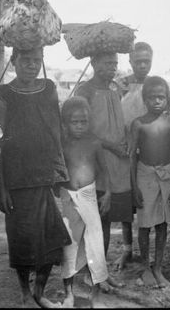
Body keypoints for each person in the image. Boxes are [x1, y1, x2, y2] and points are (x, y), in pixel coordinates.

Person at [0, 46, 71, 308]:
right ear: (13, 61)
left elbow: (55, 128)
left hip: (45, 176)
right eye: (26, 60)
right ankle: (24, 292)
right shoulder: (3, 94)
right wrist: (1, 186)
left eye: (37, 60)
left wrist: (60, 171)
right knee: (22, 239)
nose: (32, 65)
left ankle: (39, 290)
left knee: (52, 237)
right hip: (17, 181)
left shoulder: (48, 88)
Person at [75, 52, 133, 279]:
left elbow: (118, 122)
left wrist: (125, 142)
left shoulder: (116, 89)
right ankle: (92, 272)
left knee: (110, 217)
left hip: (118, 162)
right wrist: (111, 146)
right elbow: (82, 130)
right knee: (97, 221)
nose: (112, 67)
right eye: (107, 62)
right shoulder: (85, 91)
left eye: (115, 63)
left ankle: (101, 270)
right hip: (96, 161)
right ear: (93, 63)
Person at [59, 96, 112, 308]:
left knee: (95, 245)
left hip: (90, 196)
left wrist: (107, 192)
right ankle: (68, 293)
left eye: (84, 121)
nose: (80, 126)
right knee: (69, 247)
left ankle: (95, 294)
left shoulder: (94, 143)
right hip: (68, 196)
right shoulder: (62, 144)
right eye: (74, 122)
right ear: (65, 123)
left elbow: (104, 170)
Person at [130, 76, 170, 288]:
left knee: (162, 224)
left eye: (161, 97)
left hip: (167, 176)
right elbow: (132, 156)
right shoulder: (138, 123)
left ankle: (158, 267)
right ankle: (145, 267)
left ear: (168, 99)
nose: (157, 101)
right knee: (145, 224)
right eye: (152, 97)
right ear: (145, 99)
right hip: (145, 176)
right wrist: (134, 187)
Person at [116, 41, 153, 269]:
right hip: (126, 149)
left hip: (149, 150)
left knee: (146, 202)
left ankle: (146, 252)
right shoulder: (121, 85)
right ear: (130, 61)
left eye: (146, 61)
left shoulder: (155, 85)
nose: (142, 65)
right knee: (126, 204)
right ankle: (128, 250)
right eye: (138, 61)